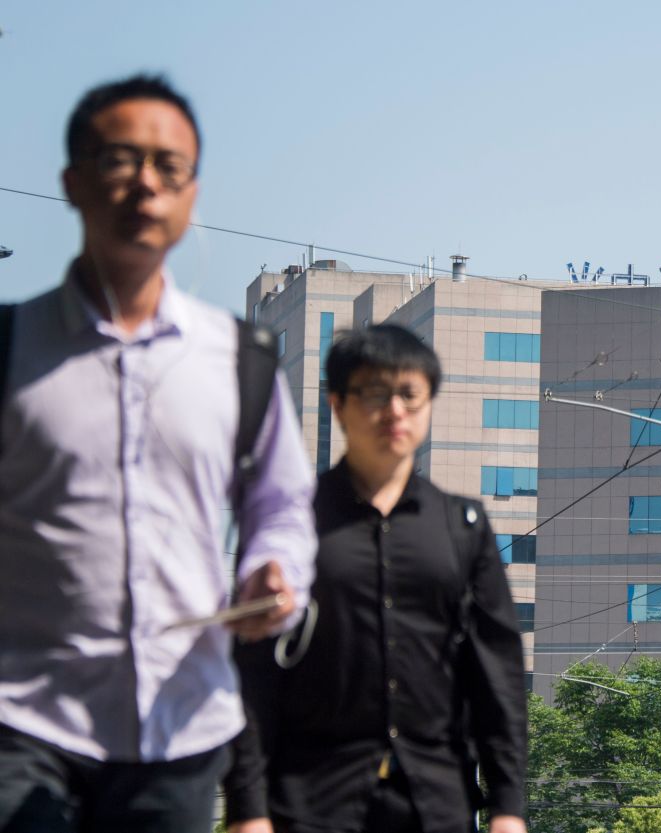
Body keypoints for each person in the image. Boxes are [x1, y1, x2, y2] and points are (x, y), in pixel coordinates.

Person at [0, 75, 317, 832]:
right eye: (120, 159)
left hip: (182, 727)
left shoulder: (240, 358)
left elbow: (280, 503)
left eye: (168, 166)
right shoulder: (10, 349)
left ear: (191, 194)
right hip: (22, 720)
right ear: (73, 182)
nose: (146, 181)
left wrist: (272, 571)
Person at [224, 324, 529, 833]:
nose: (395, 411)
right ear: (337, 404)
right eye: (374, 394)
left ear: (430, 403)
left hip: (436, 801)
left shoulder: (462, 526)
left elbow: (497, 675)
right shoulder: (289, 523)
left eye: (410, 395)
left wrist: (508, 808)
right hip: (312, 799)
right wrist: (246, 808)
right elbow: (252, 670)